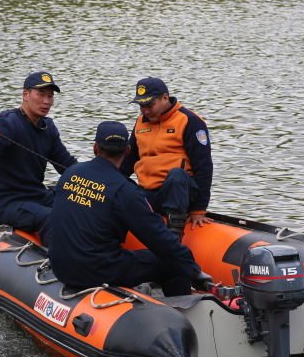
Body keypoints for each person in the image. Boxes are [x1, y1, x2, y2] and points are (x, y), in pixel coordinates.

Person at [48, 121, 208, 297]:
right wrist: (193, 271)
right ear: (128, 151)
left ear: (95, 148)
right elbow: (158, 238)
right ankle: (180, 314)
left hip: (60, 266)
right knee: (172, 264)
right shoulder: (125, 190)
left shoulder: (70, 173)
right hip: (95, 270)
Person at [0, 71, 77, 245]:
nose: (47, 101)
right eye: (41, 95)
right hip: (9, 204)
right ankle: (60, 265)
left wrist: (96, 180)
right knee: (50, 217)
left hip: (38, 196)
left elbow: (66, 165)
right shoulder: (8, 122)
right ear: (26, 94)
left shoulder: (48, 127)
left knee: (81, 202)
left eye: (50, 96)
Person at [119, 78, 214, 239]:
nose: (146, 111)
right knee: (123, 185)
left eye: (150, 106)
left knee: (176, 175)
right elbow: (128, 162)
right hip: (147, 191)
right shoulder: (141, 122)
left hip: (179, 192)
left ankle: (174, 237)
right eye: (142, 106)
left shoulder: (189, 120)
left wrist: (198, 209)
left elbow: (203, 166)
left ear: (165, 98)